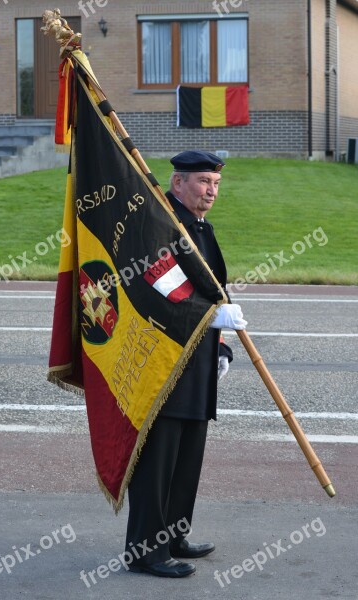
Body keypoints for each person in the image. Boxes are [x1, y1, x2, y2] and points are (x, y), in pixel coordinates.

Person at [125, 150, 247, 578]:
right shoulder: (162, 224)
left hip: (198, 358)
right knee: (160, 456)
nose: (210, 191)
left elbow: (214, 291)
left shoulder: (201, 228)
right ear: (177, 183)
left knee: (187, 454)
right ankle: (145, 550)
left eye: (215, 185)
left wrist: (221, 347)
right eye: (202, 182)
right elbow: (157, 286)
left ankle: (173, 535)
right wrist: (209, 317)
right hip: (166, 359)